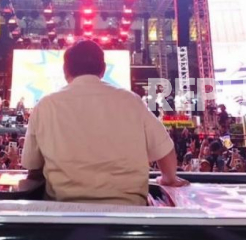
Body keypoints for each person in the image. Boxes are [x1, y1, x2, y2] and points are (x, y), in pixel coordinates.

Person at [22, 40, 187, 205]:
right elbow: (165, 149)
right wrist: (168, 178)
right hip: (129, 216)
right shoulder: (130, 100)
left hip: (64, 215)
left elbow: (32, 165)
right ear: (103, 69)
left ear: (65, 71)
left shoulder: (45, 105)